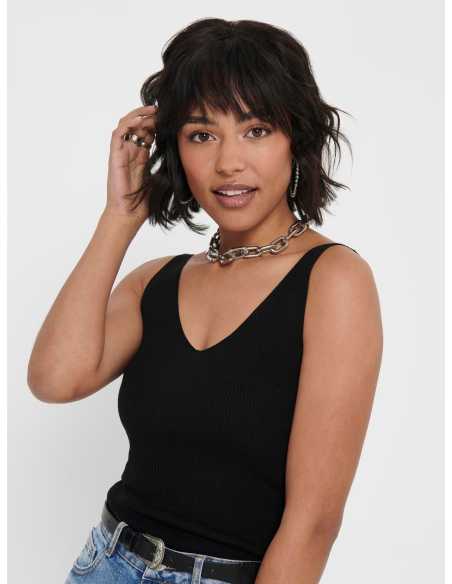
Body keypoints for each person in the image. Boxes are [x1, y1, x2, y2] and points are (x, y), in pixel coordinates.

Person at [27, 17, 383, 584]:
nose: (228, 162)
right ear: (174, 147)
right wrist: (120, 217)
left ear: (296, 139)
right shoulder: (157, 280)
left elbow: (313, 522)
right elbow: (54, 379)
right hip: (104, 564)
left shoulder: (333, 280)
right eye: (201, 134)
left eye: (256, 129)